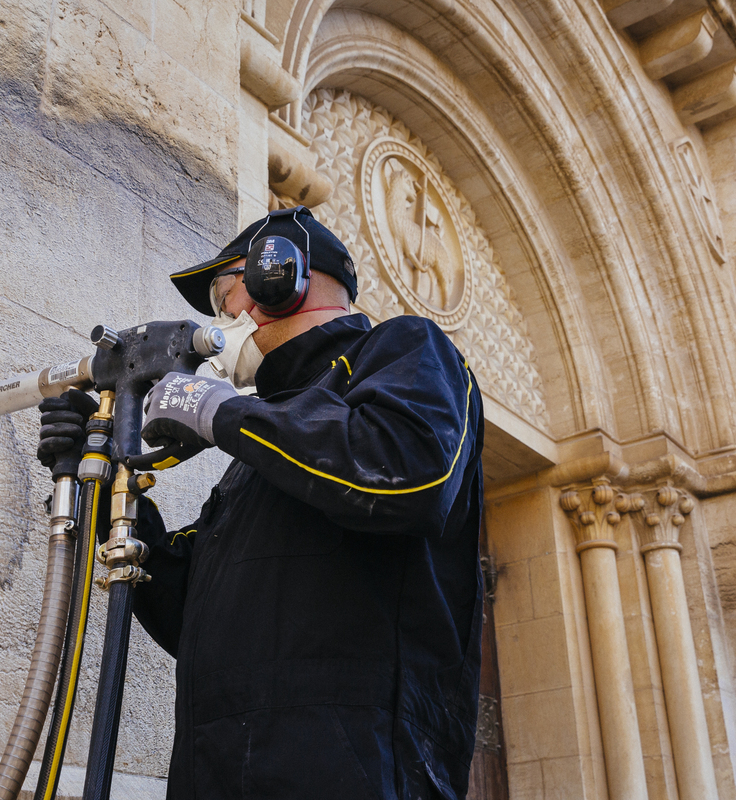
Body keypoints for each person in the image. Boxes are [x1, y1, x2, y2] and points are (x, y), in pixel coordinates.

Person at [36, 207, 484, 799]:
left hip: (352, 771)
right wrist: (100, 478)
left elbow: (406, 475)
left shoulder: (404, 350)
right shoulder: (257, 456)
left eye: (227, 296)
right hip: (218, 773)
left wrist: (219, 409)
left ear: (284, 274)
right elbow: (190, 616)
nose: (226, 319)